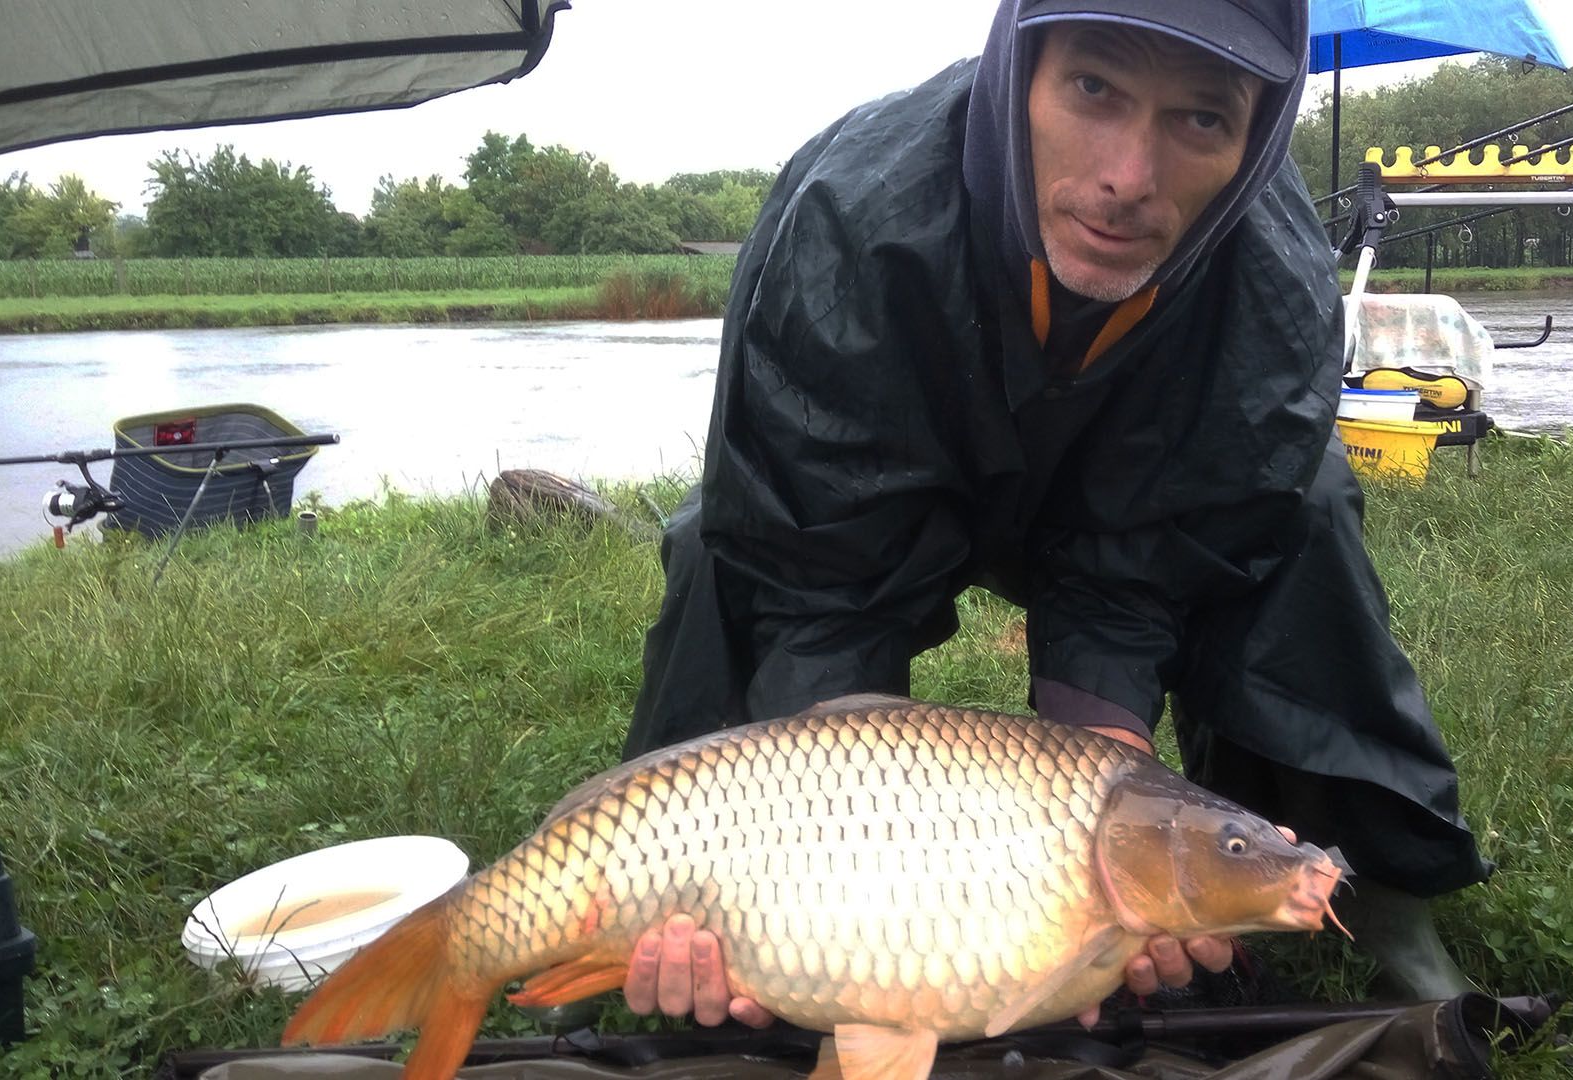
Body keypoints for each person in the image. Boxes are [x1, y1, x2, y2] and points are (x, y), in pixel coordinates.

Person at [616, 0, 1494, 1029]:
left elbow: (1151, 563)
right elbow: (821, 571)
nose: (1130, 176)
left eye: (1200, 121)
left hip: (1134, 490)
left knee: (1308, 512)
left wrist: (1109, 852)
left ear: (1257, 133)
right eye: (1094, 89)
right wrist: (828, 901)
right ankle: (653, 904)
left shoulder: (1273, 274)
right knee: (717, 549)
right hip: (888, 476)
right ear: (1017, 73)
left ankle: (1374, 889)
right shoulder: (851, 215)